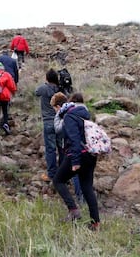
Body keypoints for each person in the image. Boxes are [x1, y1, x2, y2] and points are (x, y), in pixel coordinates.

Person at [53, 93, 100, 231]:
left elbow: (74, 139)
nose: (56, 112)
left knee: (58, 180)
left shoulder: (69, 116)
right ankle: (95, 223)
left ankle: (73, 210)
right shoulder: (83, 113)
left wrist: (75, 161)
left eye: (55, 109)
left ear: (60, 107)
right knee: (87, 187)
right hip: (91, 154)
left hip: (78, 154)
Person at [51, 92, 84, 203]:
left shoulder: (67, 115)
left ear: (58, 106)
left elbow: (58, 129)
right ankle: (84, 201)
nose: (55, 111)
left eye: (54, 108)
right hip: (85, 147)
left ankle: (76, 203)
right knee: (83, 176)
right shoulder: (81, 110)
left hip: (73, 149)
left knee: (70, 175)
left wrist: (58, 115)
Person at [35, 68, 62, 182]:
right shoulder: (61, 90)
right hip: (60, 122)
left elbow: (36, 92)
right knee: (62, 148)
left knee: (50, 150)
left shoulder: (44, 88)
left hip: (48, 122)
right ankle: (63, 173)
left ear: (47, 78)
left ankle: (51, 174)